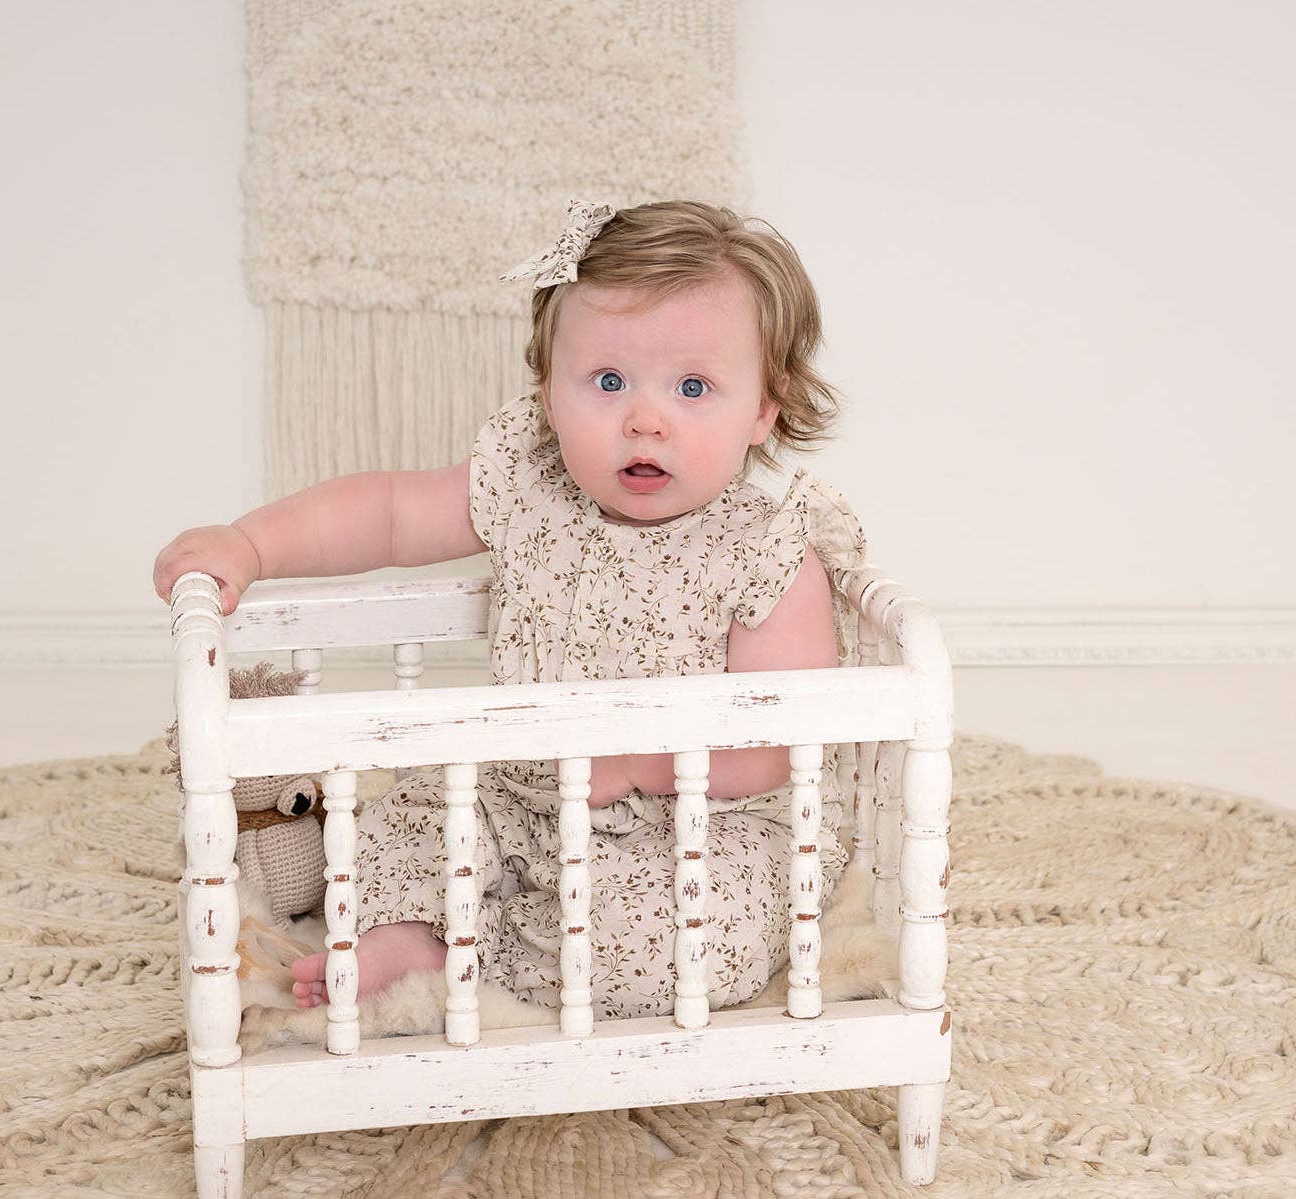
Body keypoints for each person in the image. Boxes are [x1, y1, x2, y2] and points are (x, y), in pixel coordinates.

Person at [153, 199, 867, 1018]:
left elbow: (770, 749)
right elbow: (389, 511)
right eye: (608, 382)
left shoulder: (769, 550)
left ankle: (475, 942)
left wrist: (632, 764)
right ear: (549, 393)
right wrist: (250, 545)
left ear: (764, 408)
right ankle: (413, 931)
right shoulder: (528, 487)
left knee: (683, 935)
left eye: (693, 387)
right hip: (520, 789)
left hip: (699, 824)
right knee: (400, 819)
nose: (645, 419)